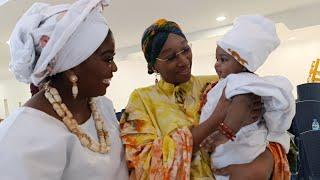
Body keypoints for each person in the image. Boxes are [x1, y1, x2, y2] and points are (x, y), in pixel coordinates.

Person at [120, 19, 285, 180]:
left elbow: (273, 129)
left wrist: (263, 164)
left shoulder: (220, 83)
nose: (183, 61)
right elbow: (144, 165)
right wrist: (214, 120)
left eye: (185, 50)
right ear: (153, 65)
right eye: (171, 57)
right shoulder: (141, 100)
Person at [0, 0, 128, 179]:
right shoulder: (24, 136)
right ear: (71, 65)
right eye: (107, 59)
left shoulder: (102, 107)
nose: (114, 67)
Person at [199, 15, 294, 180]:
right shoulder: (229, 81)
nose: (216, 64)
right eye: (216, 59)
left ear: (244, 63)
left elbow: (242, 105)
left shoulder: (240, 81)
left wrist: (224, 134)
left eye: (223, 59)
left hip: (240, 146)